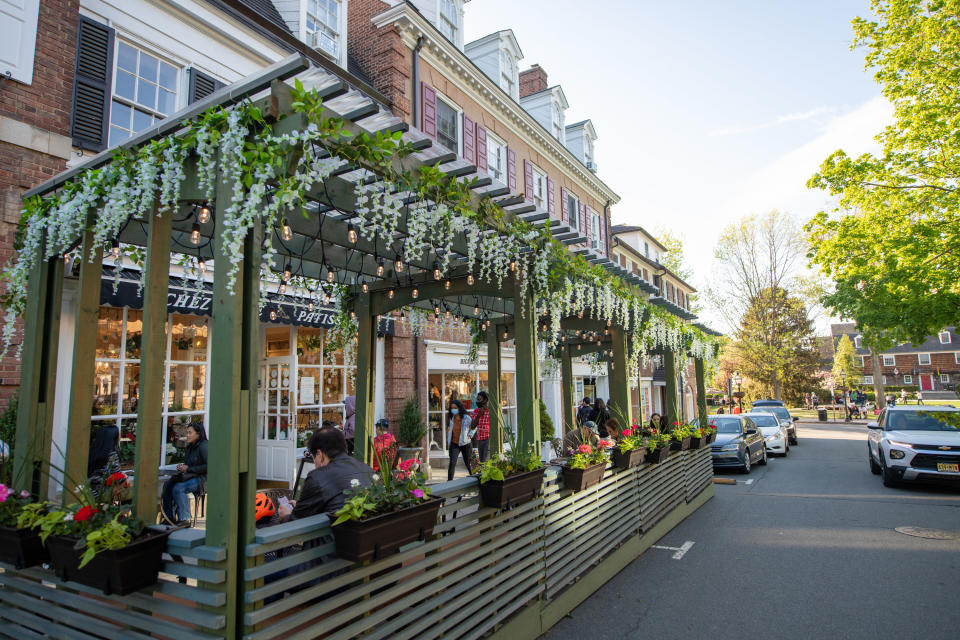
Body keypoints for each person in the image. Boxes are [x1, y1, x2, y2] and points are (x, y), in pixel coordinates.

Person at [278, 428, 373, 521]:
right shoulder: (367, 469)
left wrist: (286, 515)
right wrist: (301, 505)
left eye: (313, 457)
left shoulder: (317, 477)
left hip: (337, 534)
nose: (314, 462)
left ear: (319, 454)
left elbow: (295, 523)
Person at [161, 423, 208, 525]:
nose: (187, 435)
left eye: (190, 433)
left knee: (179, 488)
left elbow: (209, 466)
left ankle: (185, 519)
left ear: (198, 434)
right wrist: (182, 467)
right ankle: (169, 517)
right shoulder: (189, 447)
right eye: (187, 432)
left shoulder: (204, 446)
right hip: (191, 476)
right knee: (167, 484)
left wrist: (189, 469)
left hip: (203, 479)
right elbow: (189, 465)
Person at [87, 423, 120, 498]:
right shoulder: (112, 455)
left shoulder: (91, 451)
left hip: (86, 490)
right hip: (100, 492)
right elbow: (118, 477)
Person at [446, 399, 475, 481]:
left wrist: (470, 435)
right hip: (454, 443)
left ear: (459, 408)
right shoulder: (452, 418)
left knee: (468, 463)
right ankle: (449, 482)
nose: (453, 410)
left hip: (465, 443)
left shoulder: (466, 418)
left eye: (455, 408)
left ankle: (474, 478)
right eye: (452, 408)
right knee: (452, 462)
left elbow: (474, 426)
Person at [470, 391, 491, 463]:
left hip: (488, 439)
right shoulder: (476, 411)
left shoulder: (490, 411)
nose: (477, 401)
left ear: (485, 400)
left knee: (486, 461)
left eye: (479, 400)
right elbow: (472, 426)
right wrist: (479, 415)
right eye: (477, 399)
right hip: (479, 439)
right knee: (482, 462)